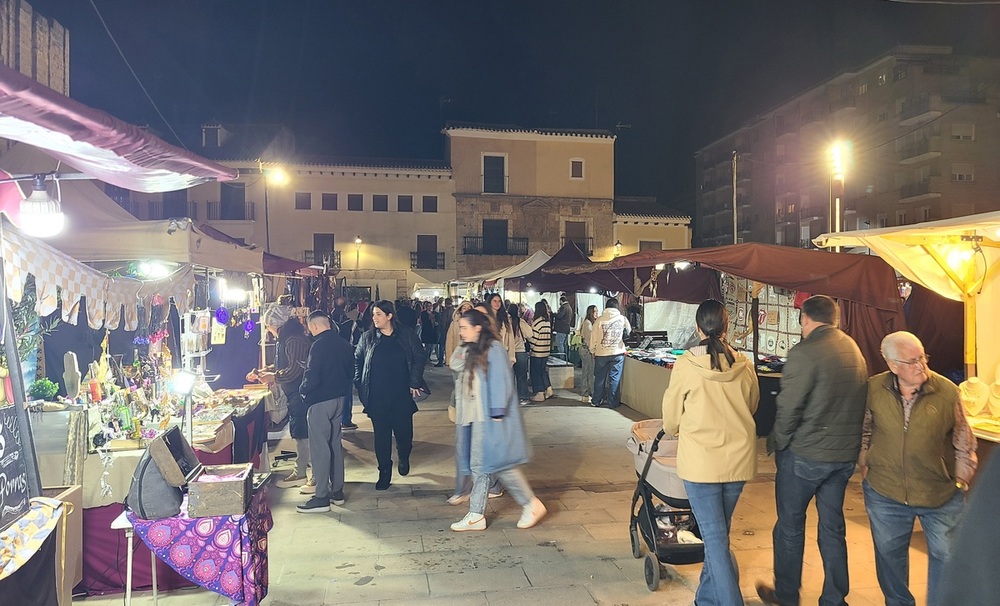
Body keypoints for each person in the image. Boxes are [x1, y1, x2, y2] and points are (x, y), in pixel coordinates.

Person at [755, 295, 869, 606]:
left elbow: (789, 407)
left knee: (790, 526)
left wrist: (777, 441)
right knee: (832, 528)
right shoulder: (853, 349)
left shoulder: (805, 353)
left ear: (806, 319)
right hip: (842, 457)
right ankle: (834, 598)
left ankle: (786, 595)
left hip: (806, 456)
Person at [859, 331, 977, 606]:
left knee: (947, 555)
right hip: (885, 491)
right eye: (911, 361)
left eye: (922, 357)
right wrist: (865, 464)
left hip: (939, 493)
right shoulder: (875, 389)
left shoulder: (947, 391)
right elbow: (865, 430)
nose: (921, 366)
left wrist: (961, 478)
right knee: (889, 556)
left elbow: (963, 439)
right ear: (892, 365)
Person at [661, 299, 759, 605]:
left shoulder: (687, 365)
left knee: (715, 538)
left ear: (697, 327)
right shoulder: (744, 364)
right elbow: (753, 405)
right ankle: (705, 599)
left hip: (701, 463)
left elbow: (671, 418)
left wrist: (678, 429)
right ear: (727, 326)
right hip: (738, 460)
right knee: (718, 535)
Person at [448, 308, 546, 532]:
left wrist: (497, 414)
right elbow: (455, 363)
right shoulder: (475, 349)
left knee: (497, 465)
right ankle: (476, 514)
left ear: (477, 328)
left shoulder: (494, 349)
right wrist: (465, 346)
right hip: (481, 417)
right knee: (483, 465)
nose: (461, 332)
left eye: (464, 328)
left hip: (492, 419)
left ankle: (530, 503)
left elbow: (502, 383)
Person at [354, 300, 428, 490]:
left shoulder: (406, 335)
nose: (374, 318)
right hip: (377, 396)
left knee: (404, 435)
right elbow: (357, 360)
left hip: (401, 395)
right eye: (373, 314)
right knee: (381, 436)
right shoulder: (368, 337)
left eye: (379, 314)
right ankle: (384, 472)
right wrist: (359, 383)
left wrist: (414, 381)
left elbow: (419, 356)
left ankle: (403, 456)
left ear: (389, 316)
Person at [296, 311, 356, 513]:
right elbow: (351, 372)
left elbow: (312, 374)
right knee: (334, 444)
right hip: (340, 399)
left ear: (313, 326)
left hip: (320, 401)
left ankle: (321, 496)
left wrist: (303, 390)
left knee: (320, 448)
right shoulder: (344, 344)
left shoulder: (318, 346)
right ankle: (337, 491)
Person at [252, 304, 311, 489]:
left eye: (268, 325)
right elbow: (284, 364)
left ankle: (304, 473)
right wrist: (266, 371)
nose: (267, 329)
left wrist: (274, 376)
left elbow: (296, 369)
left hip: (300, 393)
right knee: (297, 430)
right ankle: (302, 471)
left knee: (301, 432)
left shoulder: (294, 340)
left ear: (275, 324)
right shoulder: (284, 340)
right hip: (293, 392)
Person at [590, 298, 631, 409]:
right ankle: (612, 403)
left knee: (600, 378)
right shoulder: (622, 319)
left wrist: (592, 351)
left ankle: (596, 400)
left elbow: (593, 337)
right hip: (617, 353)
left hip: (601, 353)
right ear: (617, 307)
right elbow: (629, 332)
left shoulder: (599, 320)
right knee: (614, 378)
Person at [527, 301, 552, 402]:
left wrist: (530, 347)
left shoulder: (537, 322)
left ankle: (539, 393)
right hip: (545, 351)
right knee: (542, 371)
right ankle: (548, 388)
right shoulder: (547, 321)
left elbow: (534, 338)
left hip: (537, 351)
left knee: (535, 372)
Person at [508, 303, 532, 405]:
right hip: (521, 352)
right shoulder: (521, 322)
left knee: (509, 377)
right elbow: (530, 334)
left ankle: (510, 399)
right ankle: (523, 397)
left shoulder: (506, 323)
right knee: (521, 377)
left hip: (509, 353)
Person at [578, 305, 597, 405]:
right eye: (595, 312)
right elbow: (589, 339)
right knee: (588, 372)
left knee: (588, 372)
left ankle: (587, 393)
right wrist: (593, 351)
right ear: (591, 312)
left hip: (586, 350)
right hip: (587, 351)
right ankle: (586, 393)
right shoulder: (587, 323)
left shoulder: (589, 323)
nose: (597, 314)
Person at [553, 294, 575, 360]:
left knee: (560, 345)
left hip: (561, 329)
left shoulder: (563, 307)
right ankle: (566, 359)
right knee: (565, 345)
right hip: (566, 329)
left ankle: (562, 360)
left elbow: (559, 316)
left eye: (560, 302)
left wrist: (553, 314)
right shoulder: (569, 307)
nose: (559, 303)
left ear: (561, 301)